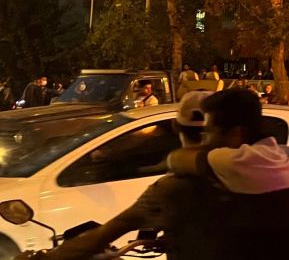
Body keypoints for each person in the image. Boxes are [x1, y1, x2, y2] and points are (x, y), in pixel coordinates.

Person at [17, 92, 219, 260]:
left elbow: (104, 234)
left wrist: (46, 258)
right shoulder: (243, 175)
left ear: (176, 127)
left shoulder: (174, 188)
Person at [167, 88, 289, 259]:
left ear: (237, 133)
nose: (205, 139)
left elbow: (176, 159)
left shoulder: (236, 162)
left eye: (209, 131)